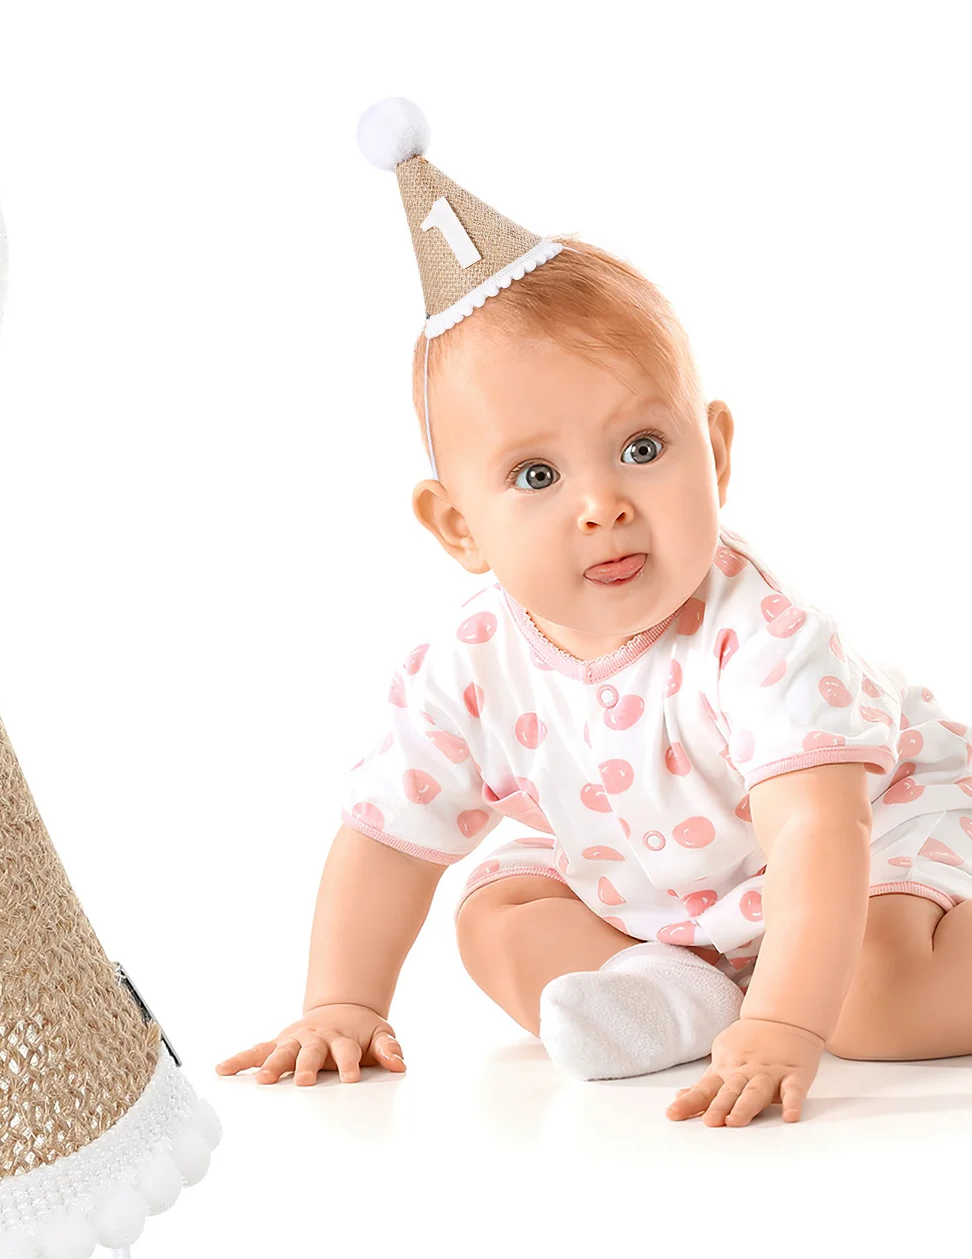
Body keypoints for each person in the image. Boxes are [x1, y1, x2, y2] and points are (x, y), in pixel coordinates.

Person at [216, 100, 972, 1127]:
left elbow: (816, 834)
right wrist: (342, 1003)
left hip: (871, 844)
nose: (602, 504)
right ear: (458, 526)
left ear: (715, 451)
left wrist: (788, 1021)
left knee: (871, 998)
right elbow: (387, 838)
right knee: (497, 915)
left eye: (642, 449)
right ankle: (671, 994)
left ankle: (769, 989)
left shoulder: (762, 635)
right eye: (536, 474)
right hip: (650, 887)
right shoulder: (469, 666)